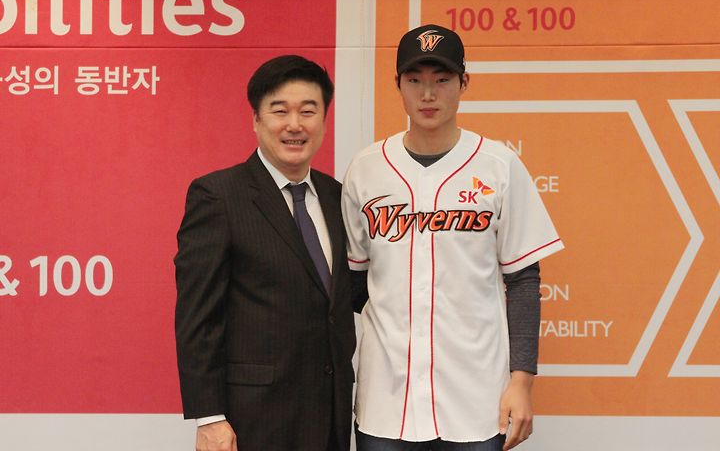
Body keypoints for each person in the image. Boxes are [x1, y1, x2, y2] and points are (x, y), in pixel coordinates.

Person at [342, 24, 564, 451]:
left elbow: (523, 280)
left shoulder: (499, 165)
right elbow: (355, 283)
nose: (428, 94)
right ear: (397, 84)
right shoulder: (366, 169)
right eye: (415, 80)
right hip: (386, 397)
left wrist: (522, 382)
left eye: (442, 80)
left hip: (476, 397)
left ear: (464, 83)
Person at [174, 55, 356, 451]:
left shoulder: (336, 196)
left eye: (308, 111)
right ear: (256, 120)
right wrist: (210, 418)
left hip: (330, 418)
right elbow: (197, 317)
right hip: (253, 421)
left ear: (324, 121)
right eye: (280, 111)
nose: (295, 124)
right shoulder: (218, 196)